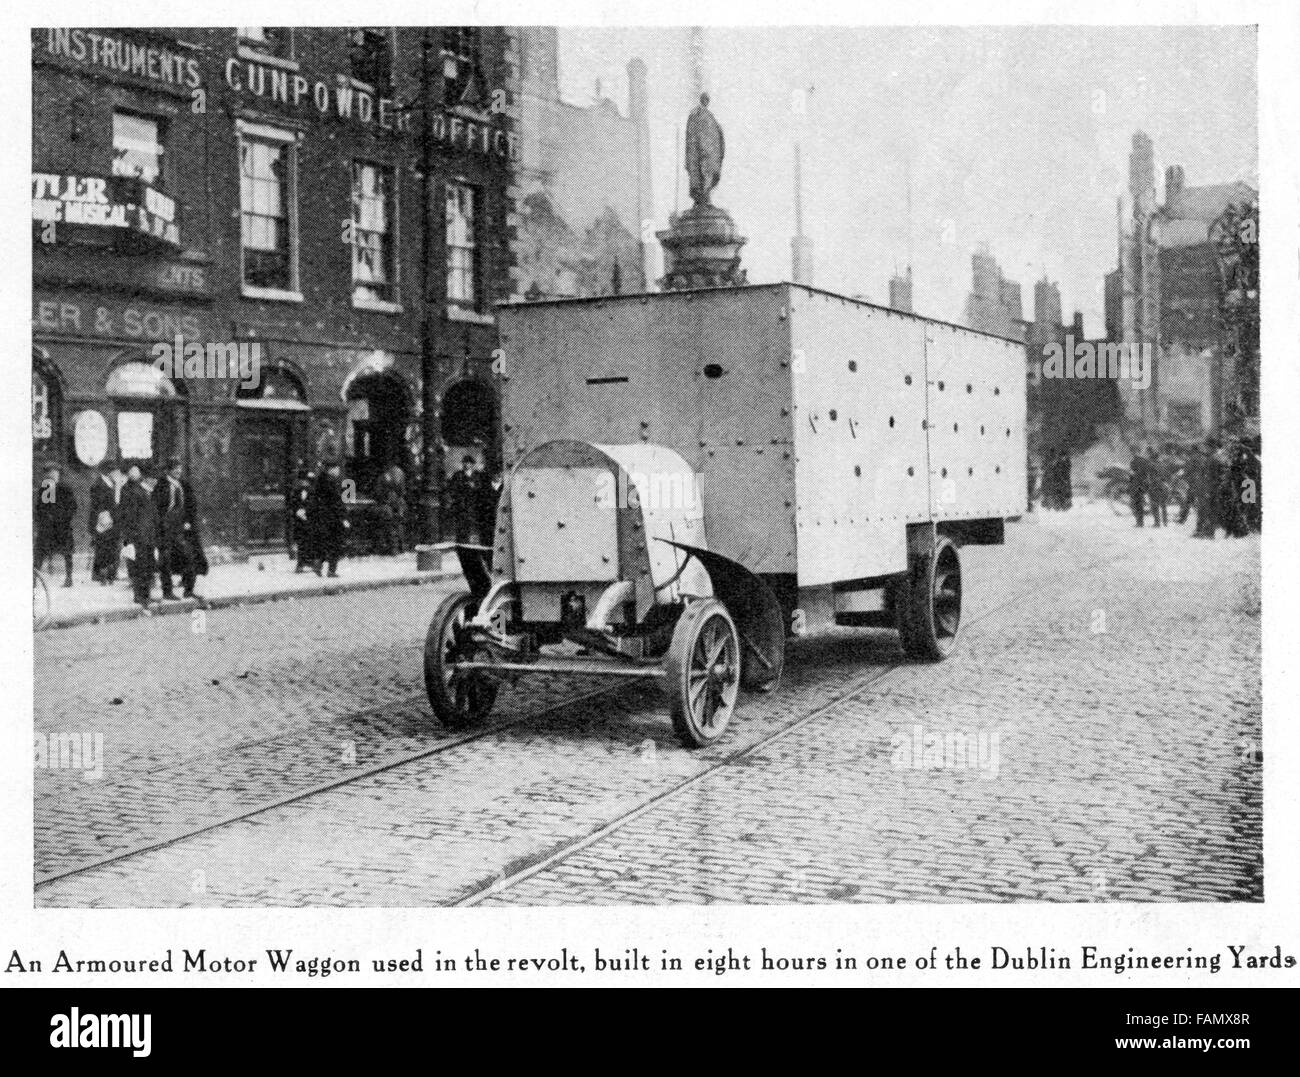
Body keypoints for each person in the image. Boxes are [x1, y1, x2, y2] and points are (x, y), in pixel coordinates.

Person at [153, 456, 208, 599]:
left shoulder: (183, 485)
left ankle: (188, 589)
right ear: (168, 471)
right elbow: (155, 508)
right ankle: (167, 592)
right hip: (165, 528)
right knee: (165, 561)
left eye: (179, 468)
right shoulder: (161, 486)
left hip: (181, 528)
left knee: (189, 557)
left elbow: (191, 505)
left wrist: (189, 521)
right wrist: (160, 524)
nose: (178, 471)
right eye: (174, 469)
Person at [118, 463, 158, 606]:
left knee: (148, 565)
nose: (135, 473)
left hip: (148, 534)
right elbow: (128, 515)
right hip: (138, 535)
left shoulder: (145, 491)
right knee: (139, 566)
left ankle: (146, 594)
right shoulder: (131, 491)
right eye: (132, 470)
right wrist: (130, 537)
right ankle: (139, 596)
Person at [34, 462, 76, 587]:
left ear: (58, 473)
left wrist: (62, 517)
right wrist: (44, 519)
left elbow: (72, 507)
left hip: (62, 526)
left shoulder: (65, 488)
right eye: (48, 473)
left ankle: (69, 578)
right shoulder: (47, 487)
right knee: (39, 553)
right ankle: (34, 579)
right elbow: (41, 507)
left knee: (67, 553)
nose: (51, 475)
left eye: (53, 472)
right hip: (48, 527)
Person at [308, 460, 349, 577]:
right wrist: (343, 517)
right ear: (331, 470)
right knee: (335, 544)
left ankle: (318, 564)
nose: (338, 471)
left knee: (323, 542)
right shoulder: (332, 482)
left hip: (321, 517)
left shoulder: (319, 481)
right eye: (337, 469)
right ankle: (331, 570)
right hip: (333, 518)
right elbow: (337, 502)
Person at [88, 459, 122, 584]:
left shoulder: (112, 483)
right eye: (115, 471)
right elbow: (102, 504)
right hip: (101, 521)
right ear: (109, 472)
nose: (118, 474)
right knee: (104, 548)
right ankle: (102, 575)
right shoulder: (99, 484)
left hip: (111, 520)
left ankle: (108, 573)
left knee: (111, 547)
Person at [446, 454, 481, 544]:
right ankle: (461, 541)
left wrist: (474, 487)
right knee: (461, 523)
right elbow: (452, 488)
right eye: (465, 463)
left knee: (472, 523)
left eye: (469, 463)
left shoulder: (477, 475)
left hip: (473, 503)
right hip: (460, 503)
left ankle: (471, 542)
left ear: (472, 464)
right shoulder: (458, 475)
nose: (466, 465)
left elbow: (481, 488)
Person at [376, 462, 407, 556]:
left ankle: (393, 549)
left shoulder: (383, 476)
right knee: (399, 524)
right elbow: (402, 490)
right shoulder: (400, 473)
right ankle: (401, 547)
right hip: (399, 503)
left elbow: (379, 492)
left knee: (390, 525)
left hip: (387, 503)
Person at [477, 467, 504, 563]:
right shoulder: (484, 489)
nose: (499, 476)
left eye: (501, 474)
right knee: (488, 543)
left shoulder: (505, 488)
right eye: (497, 474)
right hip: (487, 522)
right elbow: (479, 507)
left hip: (502, 520)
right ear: (492, 475)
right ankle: (488, 562)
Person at [291, 463, 315, 572]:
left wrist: (306, 511)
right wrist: (297, 511)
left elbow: (314, 504)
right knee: (301, 542)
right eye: (302, 481)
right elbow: (293, 503)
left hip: (310, 520)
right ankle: (300, 564)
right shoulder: (296, 491)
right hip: (299, 521)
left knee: (310, 542)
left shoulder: (312, 492)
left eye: (305, 481)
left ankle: (309, 562)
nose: (303, 483)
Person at [1145, 445, 1167, 528]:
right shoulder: (1162, 464)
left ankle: (1157, 523)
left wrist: (1149, 484)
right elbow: (1165, 475)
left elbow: (1148, 476)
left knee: (1155, 505)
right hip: (1163, 485)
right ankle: (1165, 522)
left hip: (1154, 485)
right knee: (1163, 505)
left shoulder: (1150, 465)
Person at [1128, 445, 1150, 527]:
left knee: (1137, 504)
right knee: (1139, 503)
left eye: (1132, 451)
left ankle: (1139, 522)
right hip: (1143, 484)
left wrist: (1130, 484)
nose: (1132, 453)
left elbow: (1132, 475)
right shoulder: (1145, 460)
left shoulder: (1133, 462)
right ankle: (1140, 522)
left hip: (1136, 484)